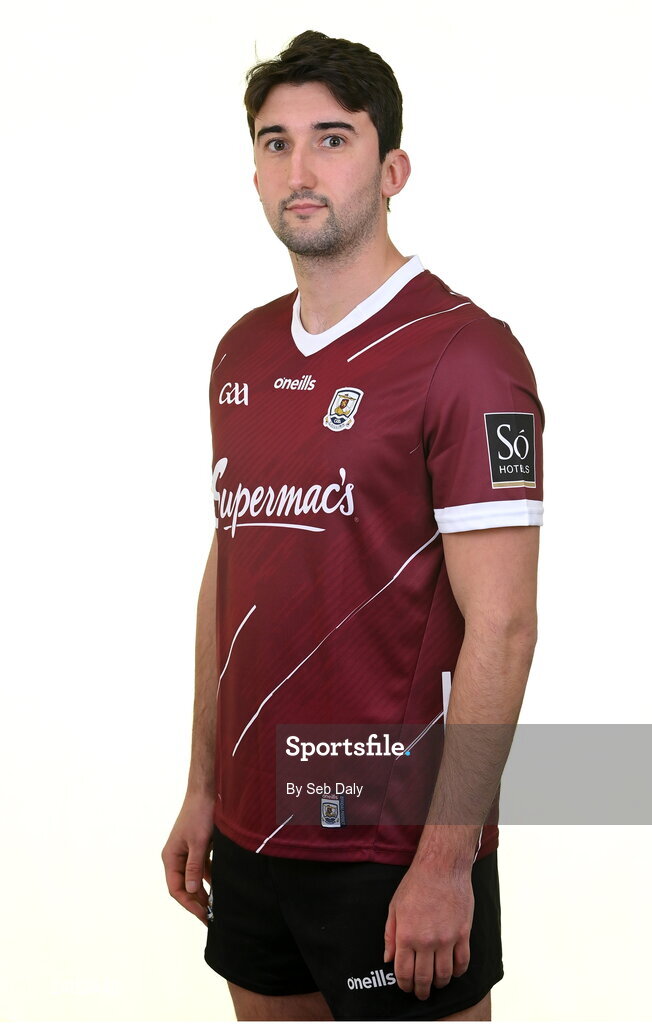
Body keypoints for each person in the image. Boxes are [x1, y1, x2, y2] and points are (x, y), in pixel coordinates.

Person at [161, 29, 543, 1023]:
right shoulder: (241, 351)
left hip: (392, 838)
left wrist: (447, 860)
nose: (301, 168)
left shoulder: (466, 356)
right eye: (276, 142)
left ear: (392, 168)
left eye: (332, 138)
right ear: (255, 171)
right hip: (252, 828)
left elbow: (503, 625)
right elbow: (231, 570)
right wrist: (204, 787)